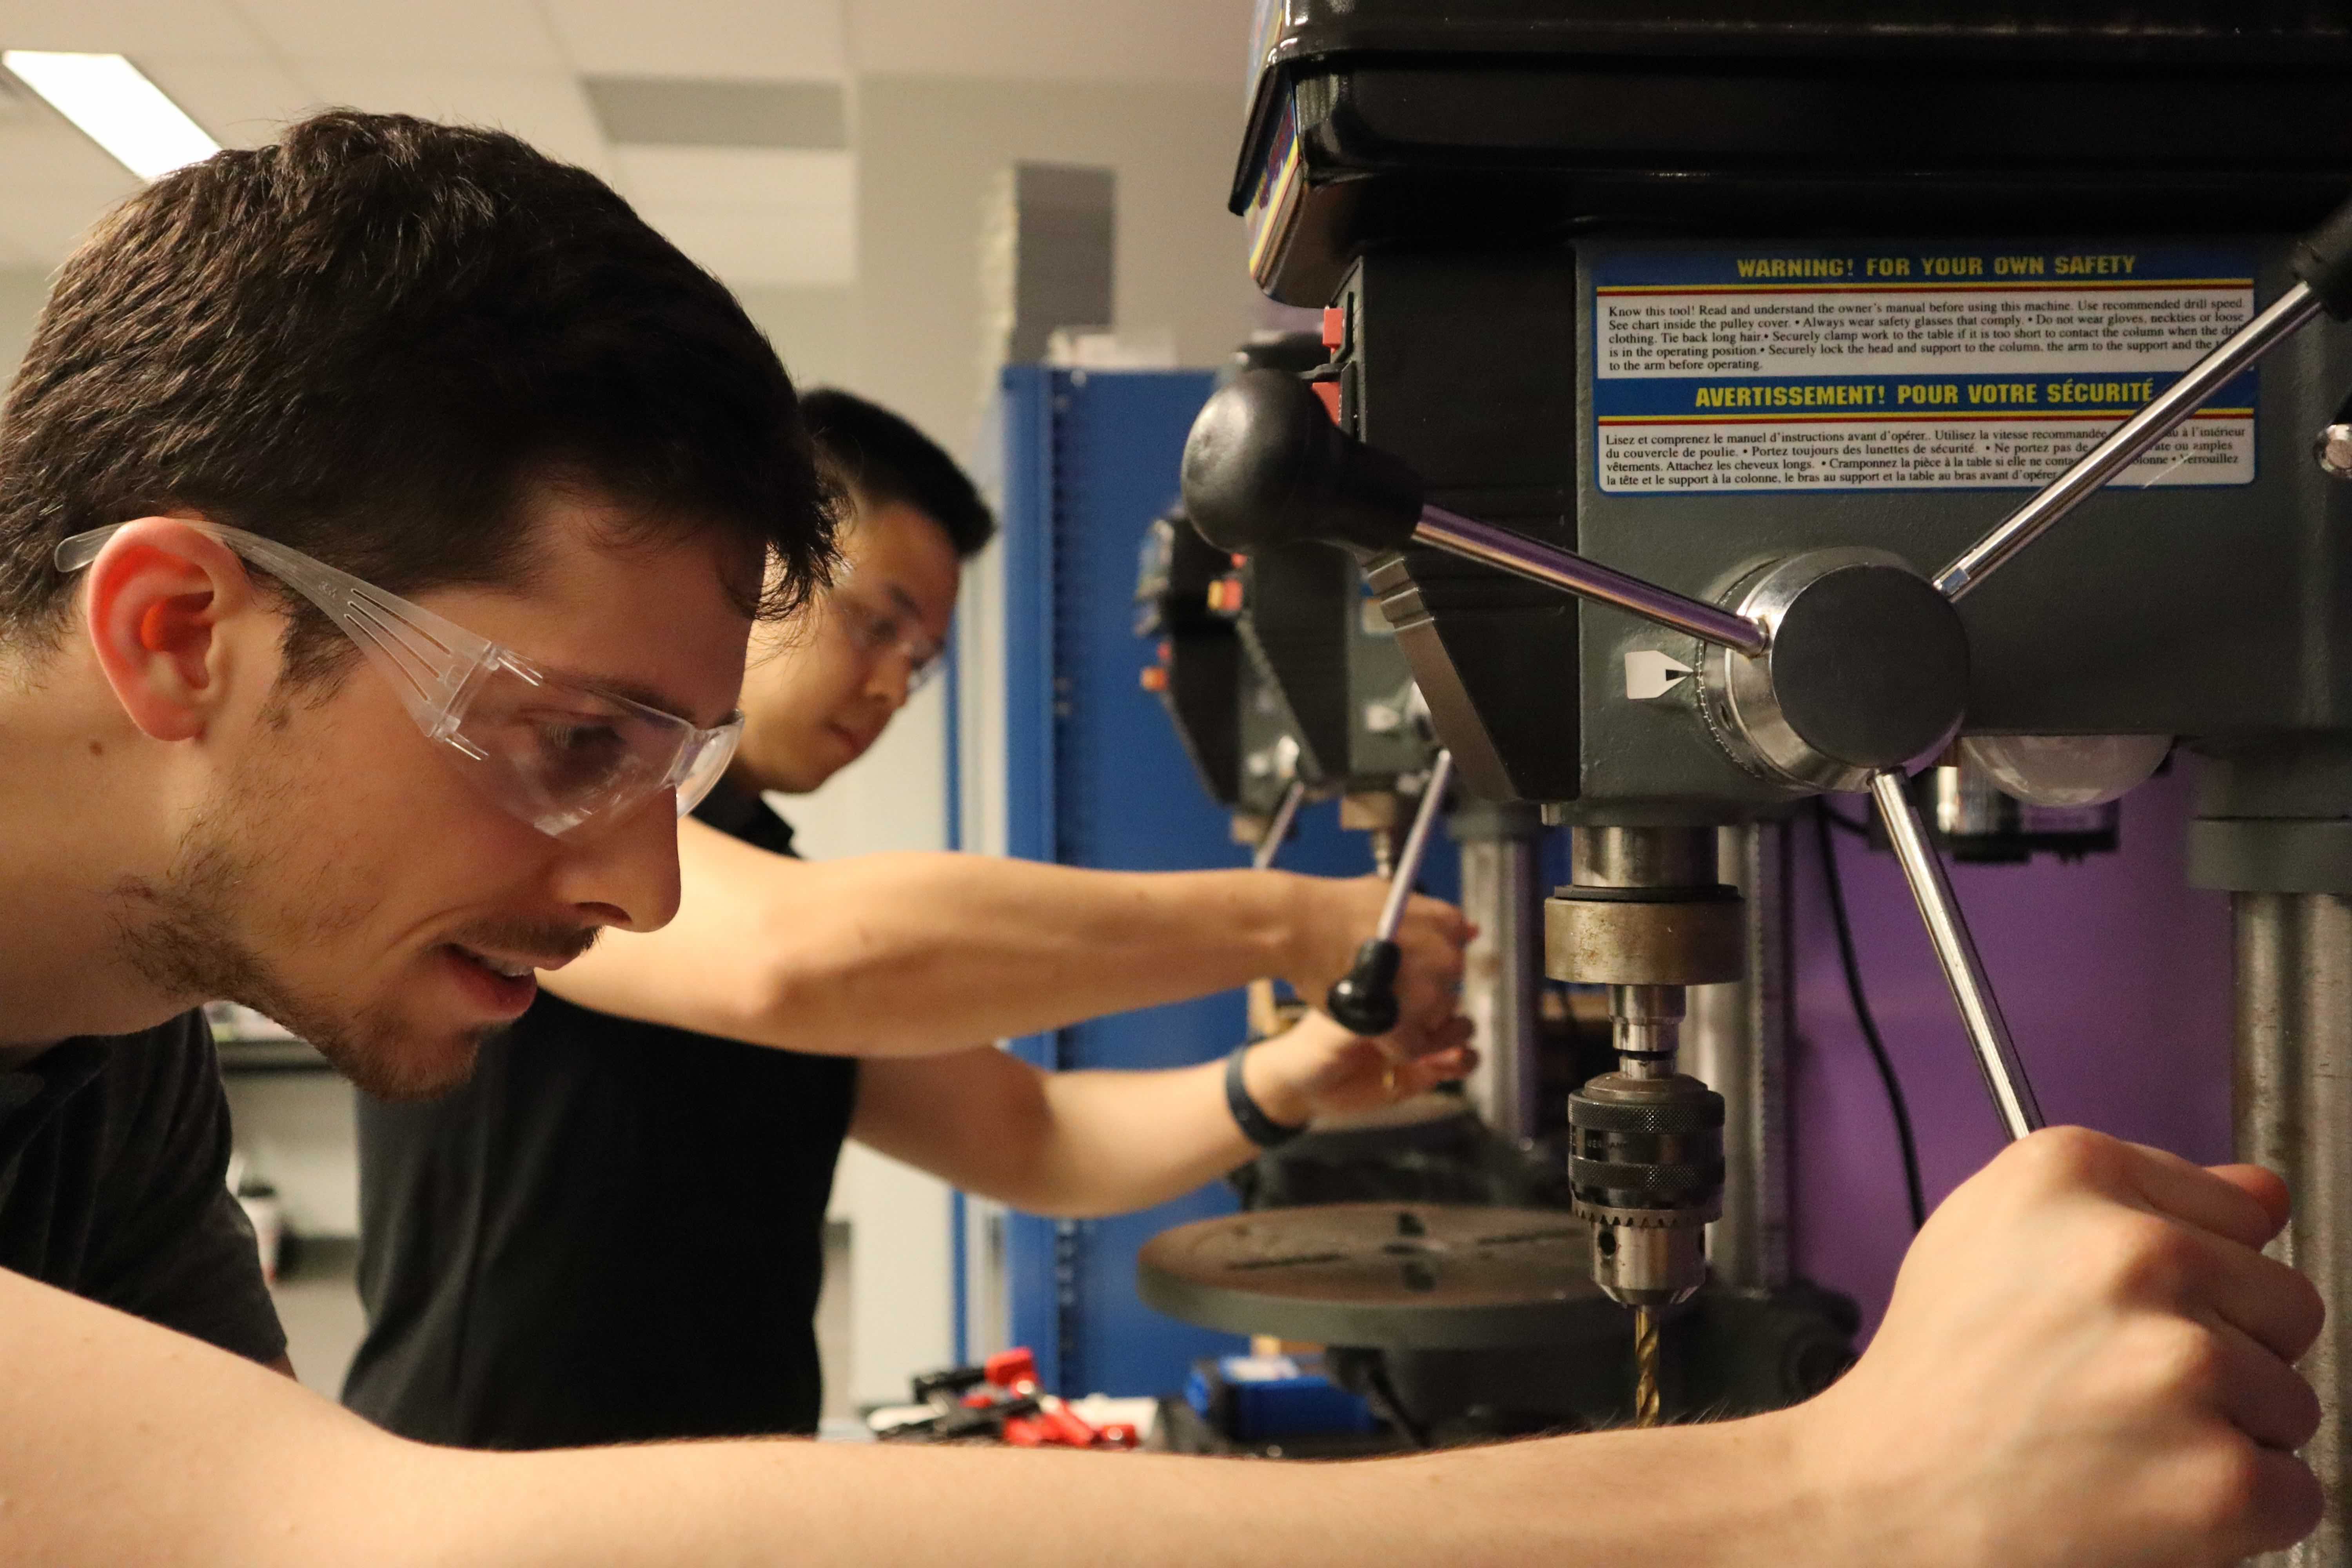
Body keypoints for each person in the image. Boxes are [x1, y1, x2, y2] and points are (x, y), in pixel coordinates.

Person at [0, 109, 2322, 1568]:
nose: (637, 879)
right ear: (182, 631)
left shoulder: (109, 1067)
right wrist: (1827, 1500)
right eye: (572, 739)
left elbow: (987, 1124)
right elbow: (332, 1535)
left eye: (673, 761)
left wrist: (1257, 1090)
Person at [343, 386, 1479, 1448]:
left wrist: (1286, 1083)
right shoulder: (554, 806)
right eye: (875, 624)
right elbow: (801, 960)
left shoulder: (754, 863)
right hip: (492, 1502)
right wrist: (1286, 921)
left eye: (922, 661)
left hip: (711, 1511)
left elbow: (1037, 1136)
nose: (893, 686)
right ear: (755, 564)